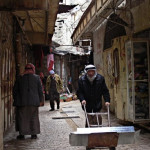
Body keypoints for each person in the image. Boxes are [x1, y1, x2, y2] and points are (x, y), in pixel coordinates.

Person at [13, 63, 43, 140]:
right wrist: (41, 100)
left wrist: (16, 99)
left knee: (22, 118)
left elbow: (15, 90)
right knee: (34, 118)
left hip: (22, 102)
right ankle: (34, 134)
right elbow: (40, 90)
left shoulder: (20, 78)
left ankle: (22, 134)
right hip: (34, 102)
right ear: (33, 69)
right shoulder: (37, 78)